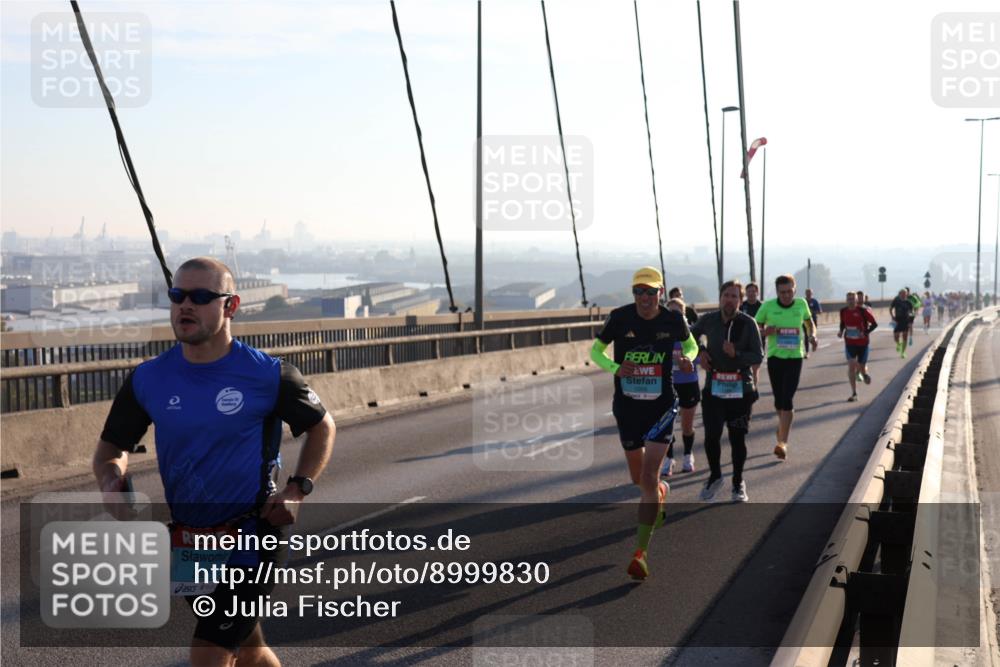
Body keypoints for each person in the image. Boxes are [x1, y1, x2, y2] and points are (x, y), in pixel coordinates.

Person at [93, 257, 336, 667]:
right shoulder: (149, 378)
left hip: (253, 534)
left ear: (231, 306)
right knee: (250, 651)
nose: (185, 305)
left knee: (209, 653)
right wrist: (110, 484)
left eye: (201, 296)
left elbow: (322, 427)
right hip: (189, 542)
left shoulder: (268, 375)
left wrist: (297, 490)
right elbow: (109, 452)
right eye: (177, 295)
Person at [591, 266, 697, 580]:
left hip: (661, 406)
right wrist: (615, 368)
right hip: (627, 407)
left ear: (660, 293)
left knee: (649, 475)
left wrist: (688, 358)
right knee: (640, 478)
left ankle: (641, 553)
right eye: (639, 291)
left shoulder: (673, 319)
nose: (645, 297)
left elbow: (691, 345)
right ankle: (661, 491)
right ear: (633, 293)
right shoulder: (619, 318)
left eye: (651, 292)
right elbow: (595, 352)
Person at [691, 280, 762, 502]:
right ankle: (715, 477)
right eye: (726, 295)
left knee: (737, 438)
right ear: (720, 297)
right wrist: (700, 351)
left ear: (740, 300)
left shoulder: (748, 323)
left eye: (734, 296)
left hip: (741, 389)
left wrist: (736, 355)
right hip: (714, 387)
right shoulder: (709, 320)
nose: (729, 300)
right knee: (711, 436)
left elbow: (758, 356)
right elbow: (689, 336)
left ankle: (738, 482)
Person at [755, 274, 815, 461]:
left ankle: (783, 443)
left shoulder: (801, 304)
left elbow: (809, 323)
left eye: (789, 291)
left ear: (794, 290)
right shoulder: (768, 306)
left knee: (787, 399)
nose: (786, 295)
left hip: (795, 357)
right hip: (775, 358)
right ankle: (782, 427)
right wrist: (764, 331)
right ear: (777, 292)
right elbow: (754, 328)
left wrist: (812, 335)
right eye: (782, 292)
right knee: (778, 401)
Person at [662, 297, 700, 476]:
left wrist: (688, 359)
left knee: (686, 425)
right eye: (670, 313)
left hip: (688, 384)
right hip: (668, 385)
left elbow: (699, 355)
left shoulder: (691, 333)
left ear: (684, 315)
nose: (674, 317)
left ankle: (687, 455)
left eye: (678, 313)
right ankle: (669, 459)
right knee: (667, 425)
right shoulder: (661, 334)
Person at [838, 291, 878, 402]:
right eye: (849, 299)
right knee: (851, 366)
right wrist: (841, 331)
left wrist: (865, 333)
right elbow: (842, 323)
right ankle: (854, 393)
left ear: (857, 300)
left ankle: (864, 374)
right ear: (846, 300)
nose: (851, 301)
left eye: (853, 299)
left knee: (861, 366)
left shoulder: (863, 311)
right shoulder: (843, 311)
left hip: (863, 344)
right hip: (850, 343)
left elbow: (874, 324)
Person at [739, 282, 764, 386]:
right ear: (746, 293)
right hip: (743, 341)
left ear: (757, 292)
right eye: (749, 291)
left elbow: (767, 322)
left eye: (753, 291)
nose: (751, 293)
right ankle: (746, 387)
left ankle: (754, 387)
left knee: (755, 368)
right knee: (744, 367)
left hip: (758, 341)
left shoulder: (762, 306)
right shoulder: (741, 306)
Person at [890, 288, 914, 358]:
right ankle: (898, 344)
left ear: (906, 294)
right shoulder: (896, 301)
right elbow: (890, 308)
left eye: (905, 293)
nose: (903, 295)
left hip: (906, 321)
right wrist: (892, 316)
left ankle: (903, 352)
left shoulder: (909, 303)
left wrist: (910, 321)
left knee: (905, 336)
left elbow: (911, 313)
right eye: (902, 293)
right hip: (897, 321)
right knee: (896, 336)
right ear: (899, 294)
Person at [802, 288, 822, 359]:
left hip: (813, 321)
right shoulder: (803, 302)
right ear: (805, 293)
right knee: (806, 336)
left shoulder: (815, 301)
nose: (808, 294)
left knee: (812, 336)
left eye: (809, 293)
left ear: (812, 293)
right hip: (805, 321)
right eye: (807, 292)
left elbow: (820, 311)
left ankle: (814, 342)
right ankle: (807, 352)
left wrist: (812, 311)